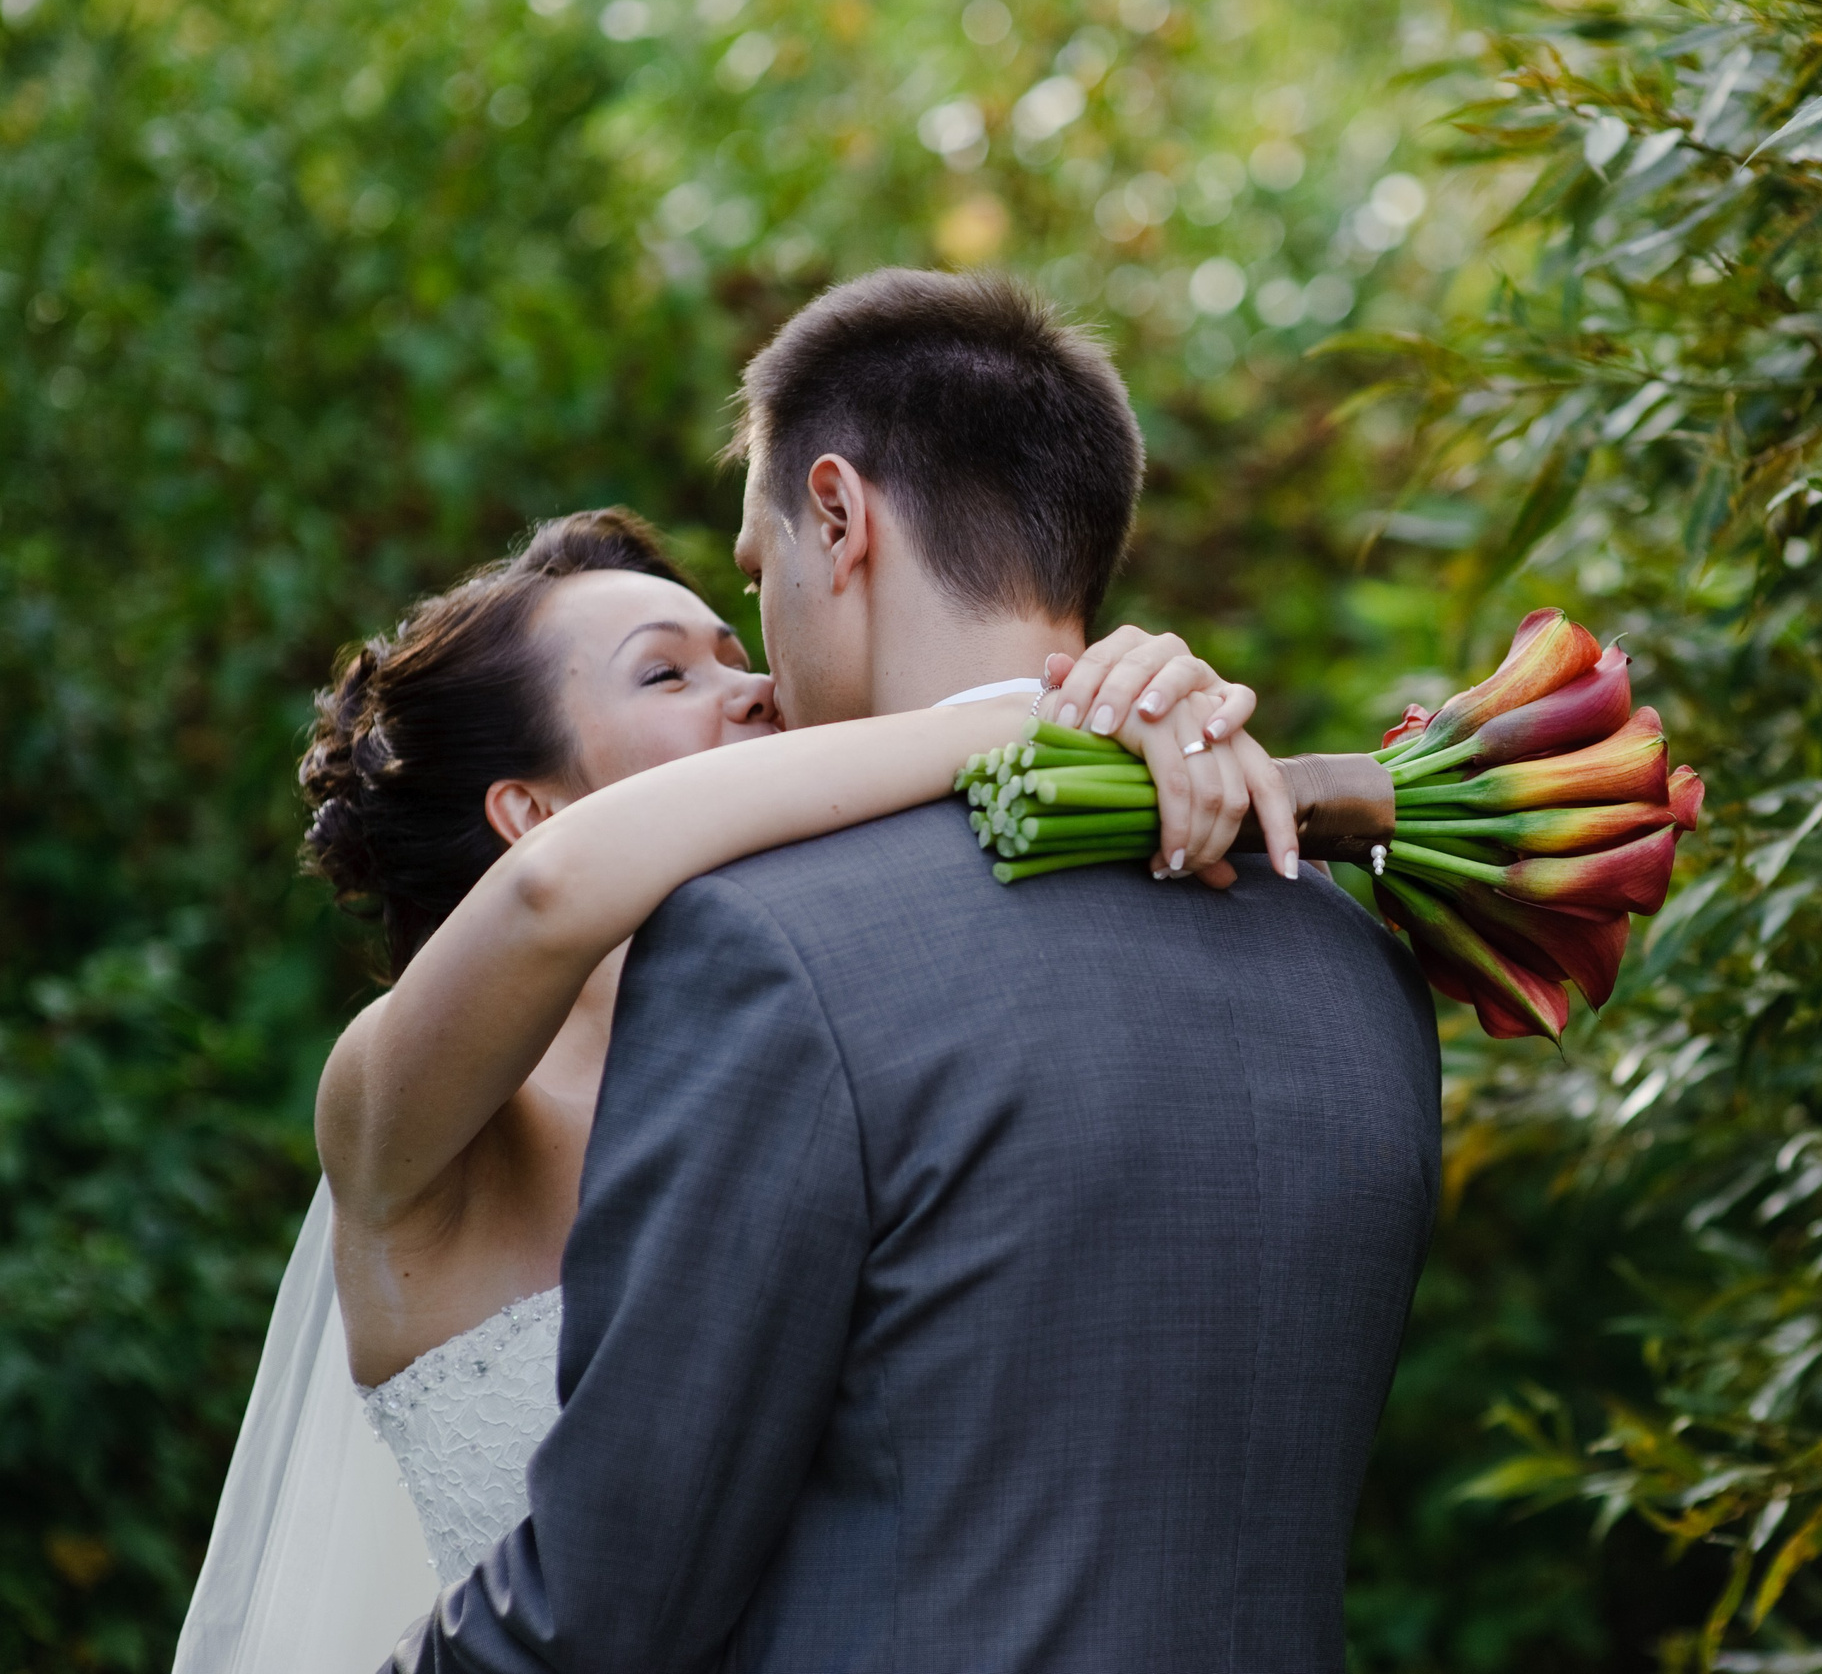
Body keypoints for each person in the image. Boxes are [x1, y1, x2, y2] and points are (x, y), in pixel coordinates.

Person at [387, 267, 1444, 1673]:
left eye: (758, 587)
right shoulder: (1353, 958)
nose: (761, 671)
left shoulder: (772, 948)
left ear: (838, 515)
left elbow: (608, 1607)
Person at [172, 499, 1280, 1674]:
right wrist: (1009, 715)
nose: (749, 688)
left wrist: (1142, 703)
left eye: (737, 653)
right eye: (664, 677)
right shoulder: (399, 1112)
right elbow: (556, 896)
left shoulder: (841, 1036)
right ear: (530, 813)